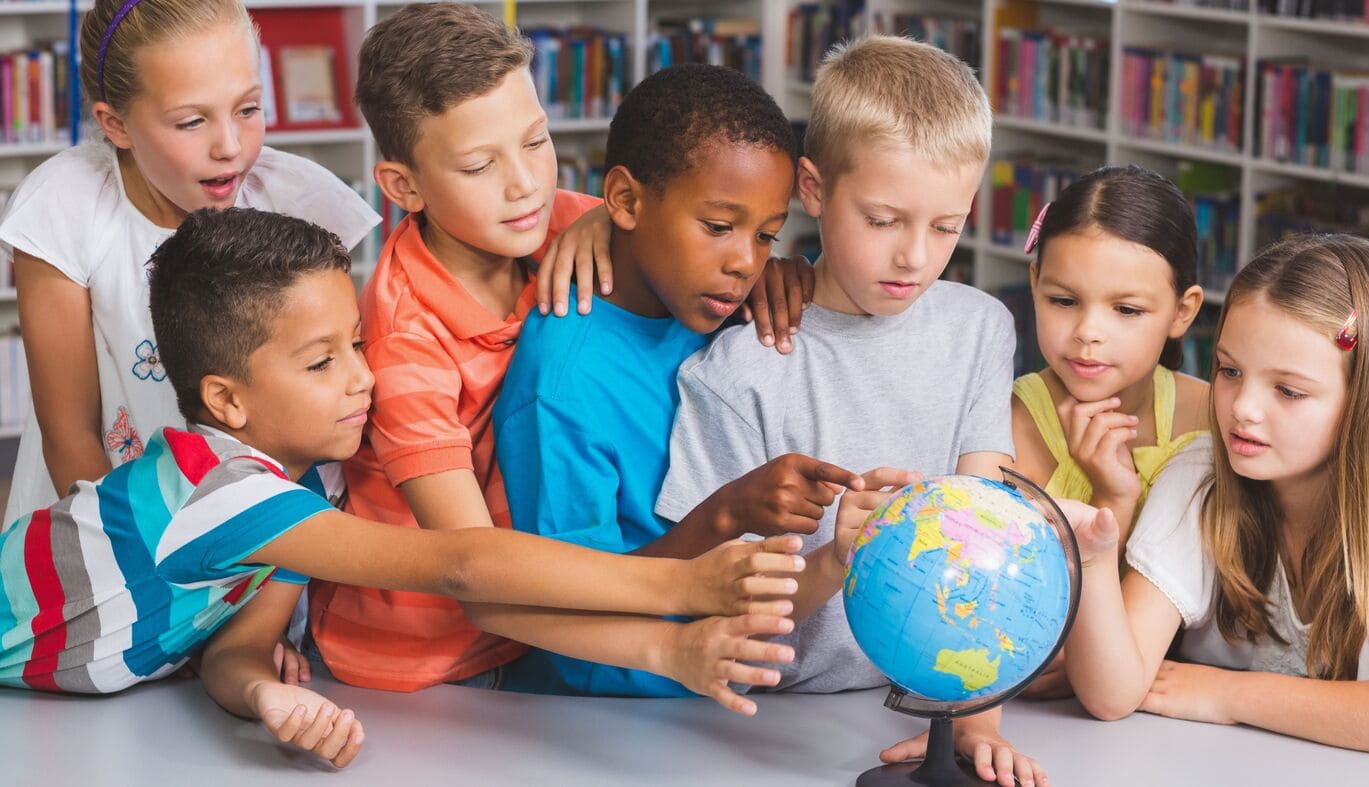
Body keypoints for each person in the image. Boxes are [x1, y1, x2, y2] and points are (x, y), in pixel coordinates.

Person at [0, 208, 808, 768]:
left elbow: (239, 647)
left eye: (356, 342)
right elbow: (458, 564)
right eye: (323, 362)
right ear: (226, 400)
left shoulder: (293, 484)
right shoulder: (222, 498)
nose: (364, 376)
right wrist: (682, 579)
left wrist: (264, 696)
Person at [307, 3, 812, 693]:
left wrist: (766, 267)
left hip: (541, 624)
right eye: (481, 164)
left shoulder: (550, 219)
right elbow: (471, 571)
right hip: (429, 662)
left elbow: (662, 212)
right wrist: (683, 607)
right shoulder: (405, 340)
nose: (525, 184)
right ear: (404, 187)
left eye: (536, 141)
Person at [654, 36, 1044, 786]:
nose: (915, 258)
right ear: (813, 186)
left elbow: (992, 543)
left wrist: (976, 718)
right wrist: (837, 557)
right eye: (883, 219)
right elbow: (711, 604)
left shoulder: (981, 328)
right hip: (766, 728)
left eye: (946, 225)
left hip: (926, 706)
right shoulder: (735, 373)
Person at [495, 64, 867, 699]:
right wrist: (726, 513)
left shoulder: (729, 302)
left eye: (767, 235)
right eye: (719, 227)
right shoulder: (561, 384)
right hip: (611, 710)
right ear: (627, 201)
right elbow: (571, 612)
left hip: (745, 689)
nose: (745, 261)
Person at [1, 0, 378, 526]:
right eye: (191, 121)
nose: (229, 147)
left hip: (264, 529)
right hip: (113, 534)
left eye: (248, 109)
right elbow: (71, 437)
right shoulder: (66, 207)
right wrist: (147, 566)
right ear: (116, 124)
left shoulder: (290, 196)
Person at [1064, 233, 1369, 756]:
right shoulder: (1201, 474)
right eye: (1229, 370)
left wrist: (1227, 695)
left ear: (1367, 401)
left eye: (1288, 390)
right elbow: (1112, 693)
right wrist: (1098, 555)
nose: (1243, 407)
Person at [1011, 165, 1211, 699]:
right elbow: (1022, 652)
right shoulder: (1006, 426)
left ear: (1182, 311)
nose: (1088, 334)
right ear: (1034, 286)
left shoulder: (1213, 421)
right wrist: (1110, 500)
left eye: (1126, 310)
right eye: (1063, 300)